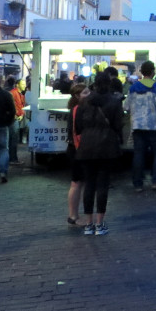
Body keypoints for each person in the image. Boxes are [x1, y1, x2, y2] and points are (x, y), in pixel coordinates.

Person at [75, 73, 123, 235]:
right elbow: (118, 125)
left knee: (89, 185)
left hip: (87, 146)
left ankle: (88, 224)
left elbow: (78, 126)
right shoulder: (115, 102)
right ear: (109, 83)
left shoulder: (85, 102)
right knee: (103, 185)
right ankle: (99, 223)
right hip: (107, 147)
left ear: (94, 83)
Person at [126, 60, 156, 193]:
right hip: (155, 127)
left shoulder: (133, 87)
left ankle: (138, 184)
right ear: (152, 72)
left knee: (139, 154)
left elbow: (126, 107)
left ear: (141, 72)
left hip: (138, 127)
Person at [66, 83, 88, 225]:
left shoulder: (73, 110)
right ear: (77, 95)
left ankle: (73, 215)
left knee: (76, 183)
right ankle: (74, 215)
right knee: (77, 184)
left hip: (74, 149)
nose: (89, 94)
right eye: (85, 93)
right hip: (79, 149)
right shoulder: (79, 110)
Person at [7, 77, 26, 165]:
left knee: (13, 139)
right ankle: (13, 159)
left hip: (17, 118)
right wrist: (16, 115)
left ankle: (12, 158)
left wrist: (21, 114)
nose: (25, 86)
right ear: (17, 85)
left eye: (25, 84)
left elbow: (21, 106)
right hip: (13, 119)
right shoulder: (13, 93)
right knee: (13, 139)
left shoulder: (21, 94)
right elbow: (11, 106)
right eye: (23, 84)